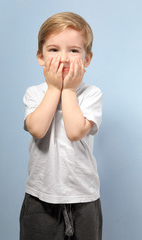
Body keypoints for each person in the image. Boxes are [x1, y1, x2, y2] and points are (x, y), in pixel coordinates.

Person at [20, 12, 103, 240]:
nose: (64, 58)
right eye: (54, 50)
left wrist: (68, 90)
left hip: (83, 199)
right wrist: (54, 88)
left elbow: (75, 132)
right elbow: (37, 129)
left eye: (74, 50)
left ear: (87, 59)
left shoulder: (90, 94)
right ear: (40, 56)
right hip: (40, 198)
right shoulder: (34, 94)